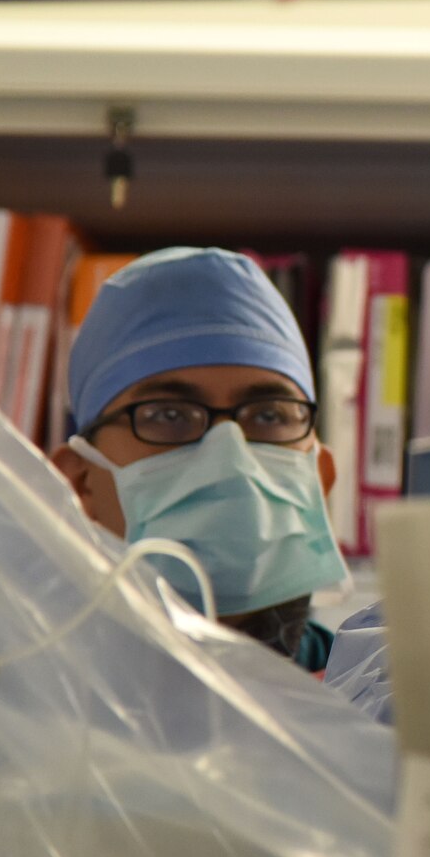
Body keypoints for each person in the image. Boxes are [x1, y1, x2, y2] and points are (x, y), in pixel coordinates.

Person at [51, 246, 349, 672]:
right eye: (168, 416)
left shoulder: (379, 713)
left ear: (320, 478)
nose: (231, 458)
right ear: (79, 485)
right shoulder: (7, 705)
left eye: (269, 416)